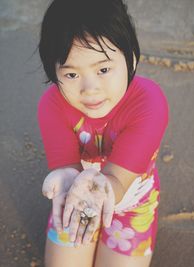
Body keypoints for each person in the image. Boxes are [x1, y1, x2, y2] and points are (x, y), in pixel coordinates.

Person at [37, 0, 169, 266]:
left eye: (104, 69)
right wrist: (64, 177)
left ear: (131, 58)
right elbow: (67, 168)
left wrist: (104, 187)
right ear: (55, 72)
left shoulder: (149, 103)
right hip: (76, 193)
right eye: (72, 74)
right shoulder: (52, 105)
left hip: (131, 198)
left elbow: (117, 182)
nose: (90, 88)